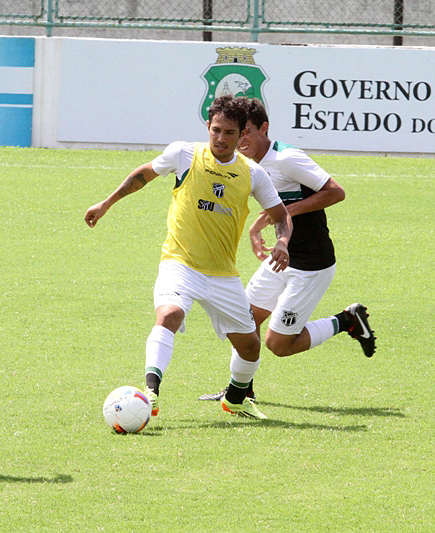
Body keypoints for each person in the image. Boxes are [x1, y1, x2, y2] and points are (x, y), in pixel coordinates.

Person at [85, 95, 292, 419]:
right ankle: (151, 392)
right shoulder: (184, 154)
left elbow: (280, 213)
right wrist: (106, 203)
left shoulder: (252, 173)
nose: (220, 138)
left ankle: (235, 399)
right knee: (169, 314)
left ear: (241, 136)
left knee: (250, 346)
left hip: (223, 274)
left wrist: (282, 241)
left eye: (228, 133)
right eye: (216, 130)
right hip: (180, 263)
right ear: (208, 127)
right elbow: (144, 174)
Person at [199, 97, 375, 402]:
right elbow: (273, 205)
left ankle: (347, 320)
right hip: (280, 258)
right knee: (244, 324)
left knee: (279, 345)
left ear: (263, 129)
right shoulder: (246, 163)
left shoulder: (287, 159)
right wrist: (257, 227)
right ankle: (241, 390)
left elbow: (336, 192)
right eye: (236, 133)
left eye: (246, 133)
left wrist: (287, 212)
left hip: (311, 264)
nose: (239, 141)